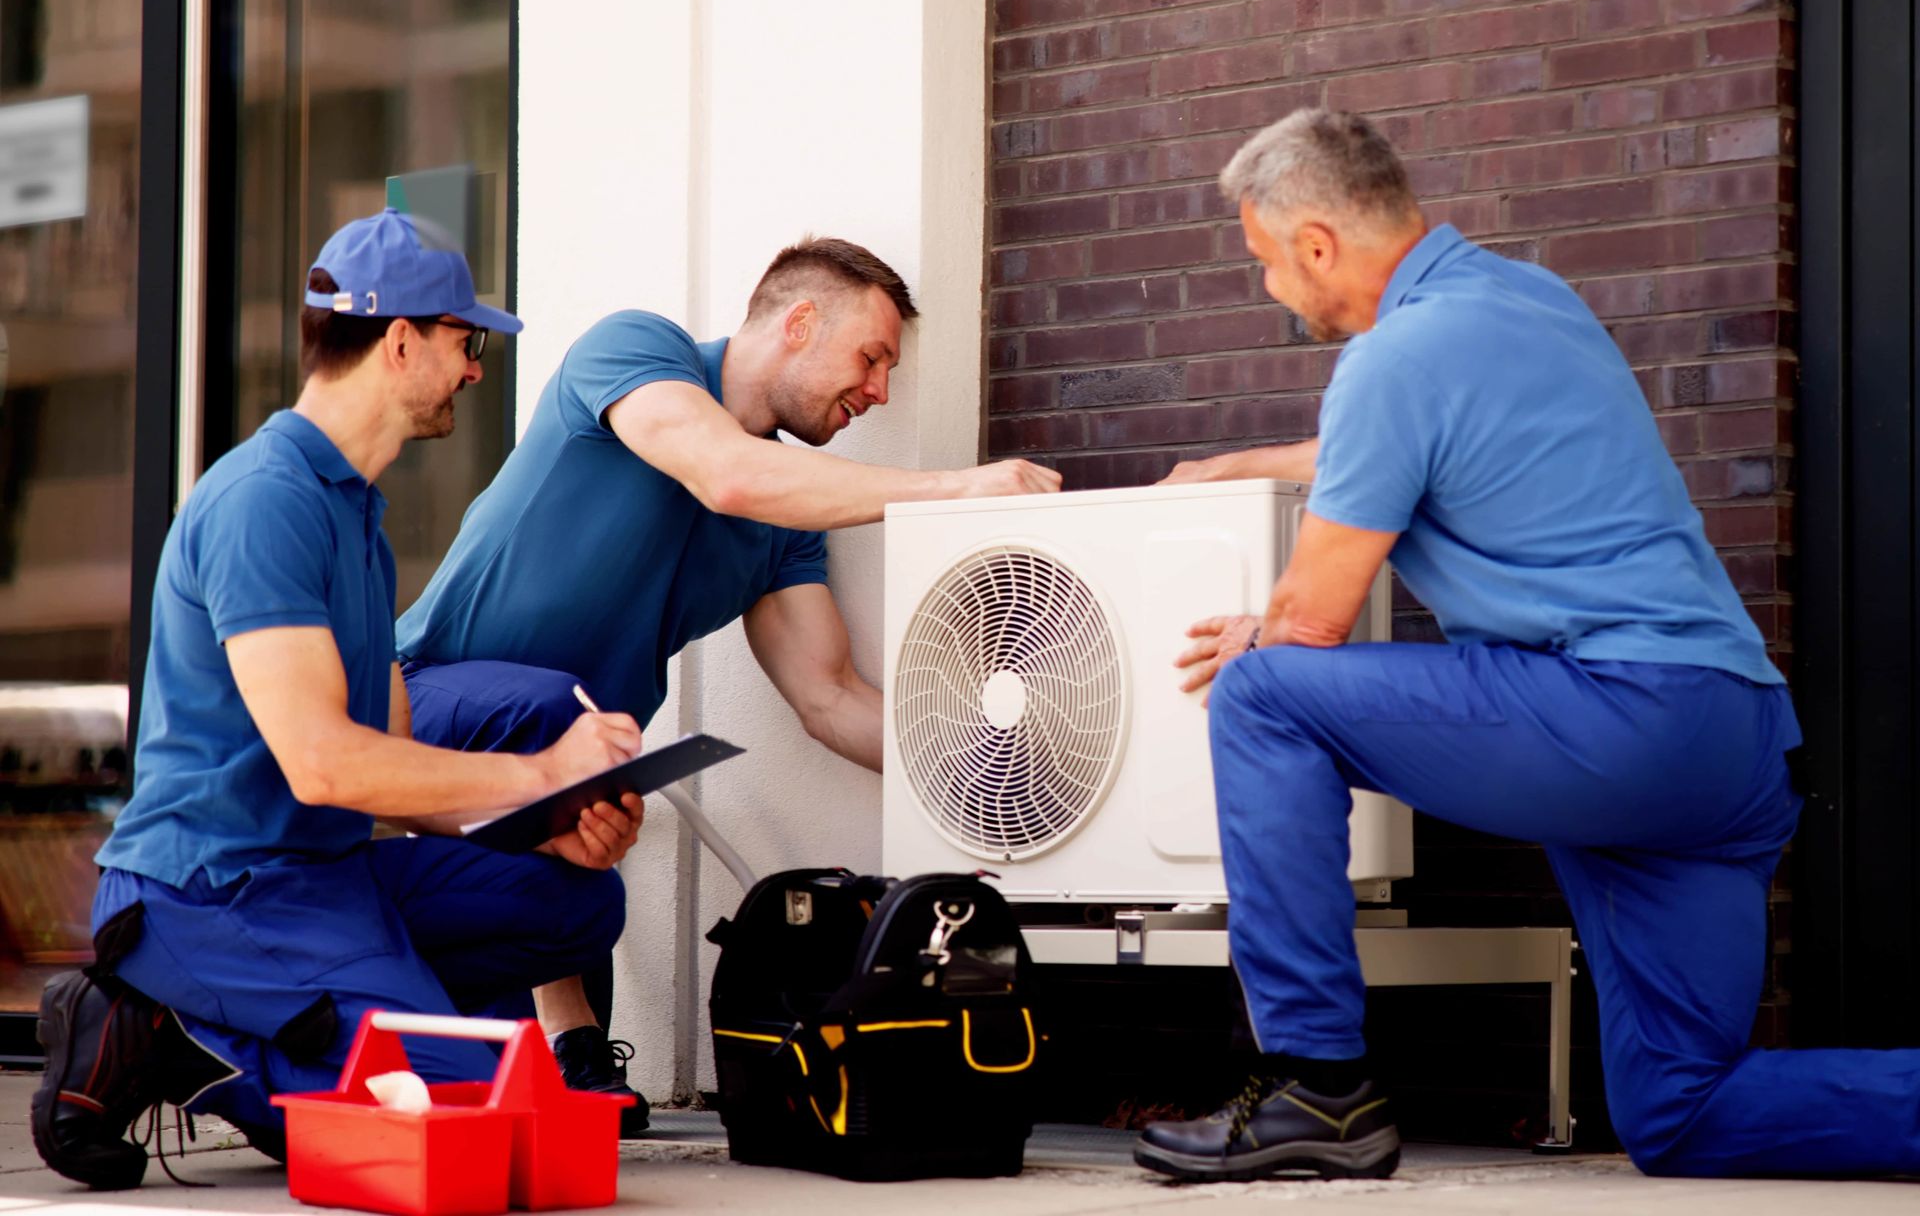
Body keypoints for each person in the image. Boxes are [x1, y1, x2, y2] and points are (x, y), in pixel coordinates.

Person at [1133, 109, 1920, 1183]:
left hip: (1615, 714)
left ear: (1316, 243)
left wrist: (1265, 633)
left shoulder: (1389, 360)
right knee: (1681, 1112)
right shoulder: (1530, 298)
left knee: (1267, 694)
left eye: (1267, 263)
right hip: (1727, 740)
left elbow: (1312, 622)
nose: (1274, 289)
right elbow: (1422, 430)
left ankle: (1317, 1084)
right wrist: (1252, 464)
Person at [30, 210, 648, 1191]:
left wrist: (543, 820)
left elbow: (393, 783)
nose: (476, 368)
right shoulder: (262, 502)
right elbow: (322, 762)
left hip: (325, 876)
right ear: (400, 340)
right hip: (210, 890)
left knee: (576, 899)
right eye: (465, 340)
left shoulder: (355, 512)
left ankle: (334, 1010)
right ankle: (170, 1031)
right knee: (472, 1105)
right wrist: (544, 765)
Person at [392, 236, 1060, 1127]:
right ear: (799, 322)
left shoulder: (788, 528)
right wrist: (956, 490)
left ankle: (546, 1048)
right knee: (559, 712)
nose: (879, 392)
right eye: (870, 358)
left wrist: (994, 783)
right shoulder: (636, 351)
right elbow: (727, 474)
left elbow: (829, 699)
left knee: (587, 891)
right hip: (417, 707)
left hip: (556, 779)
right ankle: (570, 1033)